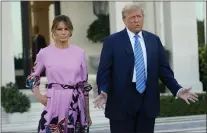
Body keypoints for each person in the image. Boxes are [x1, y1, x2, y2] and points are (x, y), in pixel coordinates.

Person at [94, 4, 198, 133]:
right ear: (124, 20)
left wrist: (177, 89)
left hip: (147, 102)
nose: (137, 20)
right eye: (132, 17)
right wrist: (103, 91)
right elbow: (104, 70)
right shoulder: (112, 41)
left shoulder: (153, 40)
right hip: (121, 102)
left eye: (139, 16)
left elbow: (164, 70)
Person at [26, 15, 92, 133]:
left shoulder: (79, 53)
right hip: (54, 101)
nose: (63, 32)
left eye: (66, 29)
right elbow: (32, 77)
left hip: (76, 102)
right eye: (59, 29)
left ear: (70, 31)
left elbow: (84, 85)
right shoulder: (44, 53)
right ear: (53, 31)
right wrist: (40, 97)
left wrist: (87, 114)